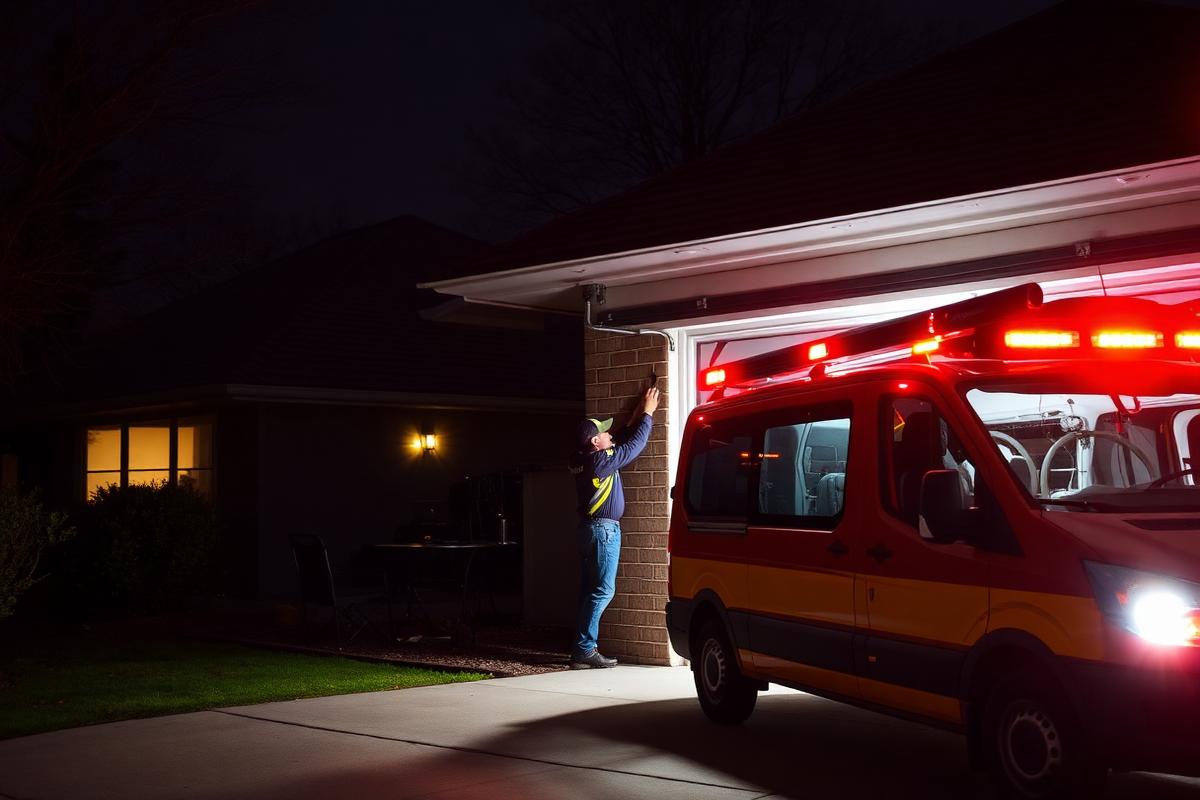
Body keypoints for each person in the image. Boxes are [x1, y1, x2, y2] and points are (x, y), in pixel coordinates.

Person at [568, 385, 660, 668]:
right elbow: (634, 446)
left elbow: (617, 439)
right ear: (596, 442)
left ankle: (581, 648)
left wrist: (632, 419)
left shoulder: (584, 460)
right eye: (604, 432)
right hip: (603, 532)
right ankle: (584, 649)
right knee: (604, 590)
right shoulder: (600, 462)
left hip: (589, 530)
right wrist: (647, 415)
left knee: (589, 590)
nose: (610, 433)